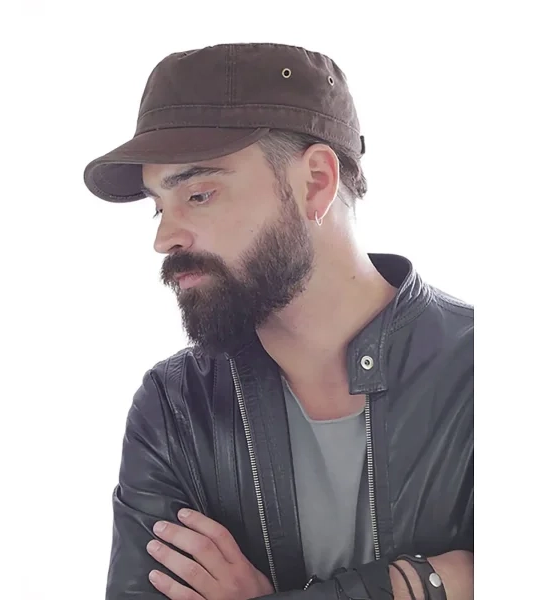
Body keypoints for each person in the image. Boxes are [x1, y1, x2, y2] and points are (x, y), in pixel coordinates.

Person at [83, 43, 473, 600]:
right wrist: (420, 585)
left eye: (199, 193)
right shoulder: (175, 408)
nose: (164, 238)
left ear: (315, 182)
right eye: (158, 206)